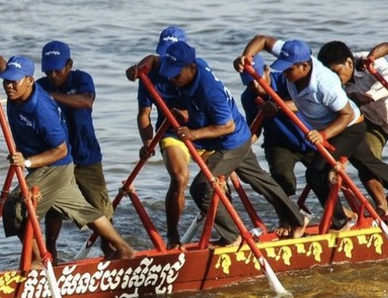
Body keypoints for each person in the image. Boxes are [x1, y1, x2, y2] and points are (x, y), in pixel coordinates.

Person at [235, 36, 388, 230]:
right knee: (372, 165)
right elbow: (263, 40)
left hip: (348, 128)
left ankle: (340, 220)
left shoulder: (324, 84)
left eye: (289, 68)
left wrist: (323, 135)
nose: (284, 72)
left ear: (304, 67)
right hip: (336, 127)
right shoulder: (295, 58)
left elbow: (347, 115)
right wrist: (246, 56)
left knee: (315, 174)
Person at [0, 53, 135, 264]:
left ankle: (38, 261)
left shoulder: (42, 111)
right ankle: (125, 249)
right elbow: (2, 65)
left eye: (14, 82)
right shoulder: (17, 89)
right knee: (82, 209)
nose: (9, 86)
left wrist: (27, 162)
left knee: (17, 206)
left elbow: (60, 150)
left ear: (30, 81)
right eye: (6, 81)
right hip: (48, 166)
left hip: (54, 166)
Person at [149, 41, 309, 246]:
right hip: (232, 136)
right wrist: (142, 66)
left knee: (201, 188)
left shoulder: (209, 92)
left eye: (176, 74)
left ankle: (232, 236)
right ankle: (298, 218)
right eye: (170, 73)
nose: (172, 78)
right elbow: (157, 60)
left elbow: (227, 126)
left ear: (191, 67)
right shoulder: (195, 64)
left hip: (230, 140)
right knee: (260, 181)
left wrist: (193, 134)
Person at [318, 40, 388, 218]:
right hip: (372, 123)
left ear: (349, 63)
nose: (335, 78)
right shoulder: (333, 83)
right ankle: (382, 208)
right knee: (367, 161)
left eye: (337, 72)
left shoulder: (369, 63)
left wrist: (369, 96)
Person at [36, 40, 114, 259]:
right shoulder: (40, 86)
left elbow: (86, 101)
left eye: (57, 69)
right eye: (48, 70)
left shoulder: (82, 79)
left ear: (69, 64)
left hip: (86, 155)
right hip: (58, 158)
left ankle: (111, 250)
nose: (52, 74)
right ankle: (50, 252)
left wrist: (49, 97)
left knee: (99, 207)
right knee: (53, 208)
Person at [125, 26, 191, 248]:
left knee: (221, 180)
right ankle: (173, 237)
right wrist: (147, 142)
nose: (167, 61)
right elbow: (144, 115)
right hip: (171, 132)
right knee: (180, 178)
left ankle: (226, 231)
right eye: (164, 55)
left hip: (203, 130)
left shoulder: (195, 70)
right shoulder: (150, 76)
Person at [238, 54, 316, 198]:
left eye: (257, 79)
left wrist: (279, 106)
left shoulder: (287, 80)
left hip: (309, 138)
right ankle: (290, 217)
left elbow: (307, 102)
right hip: (279, 144)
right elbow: (255, 130)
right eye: (249, 83)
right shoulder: (248, 97)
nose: (255, 86)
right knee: (283, 184)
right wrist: (239, 146)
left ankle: (341, 216)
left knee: (321, 180)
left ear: (267, 70)